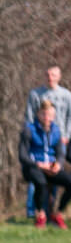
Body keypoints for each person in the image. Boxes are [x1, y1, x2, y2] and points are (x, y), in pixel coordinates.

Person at [23, 66, 71, 216]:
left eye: (53, 74)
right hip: (38, 139)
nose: (50, 77)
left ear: (59, 76)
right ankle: (34, 211)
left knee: (55, 173)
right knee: (37, 177)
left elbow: (70, 117)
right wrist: (31, 133)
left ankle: (51, 211)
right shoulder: (36, 94)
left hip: (59, 139)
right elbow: (29, 116)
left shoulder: (66, 95)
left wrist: (67, 135)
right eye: (48, 74)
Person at [19, 99, 71, 229]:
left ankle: (57, 213)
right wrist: (39, 165)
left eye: (49, 115)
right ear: (38, 114)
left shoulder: (56, 131)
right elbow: (23, 156)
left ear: (53, 116)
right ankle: (40, 214)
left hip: (51, 167)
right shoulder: (29, 130)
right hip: (32, 167)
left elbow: (60, 153)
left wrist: (58, 164)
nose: (46, 117)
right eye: (44, 114)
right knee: (40, 182)